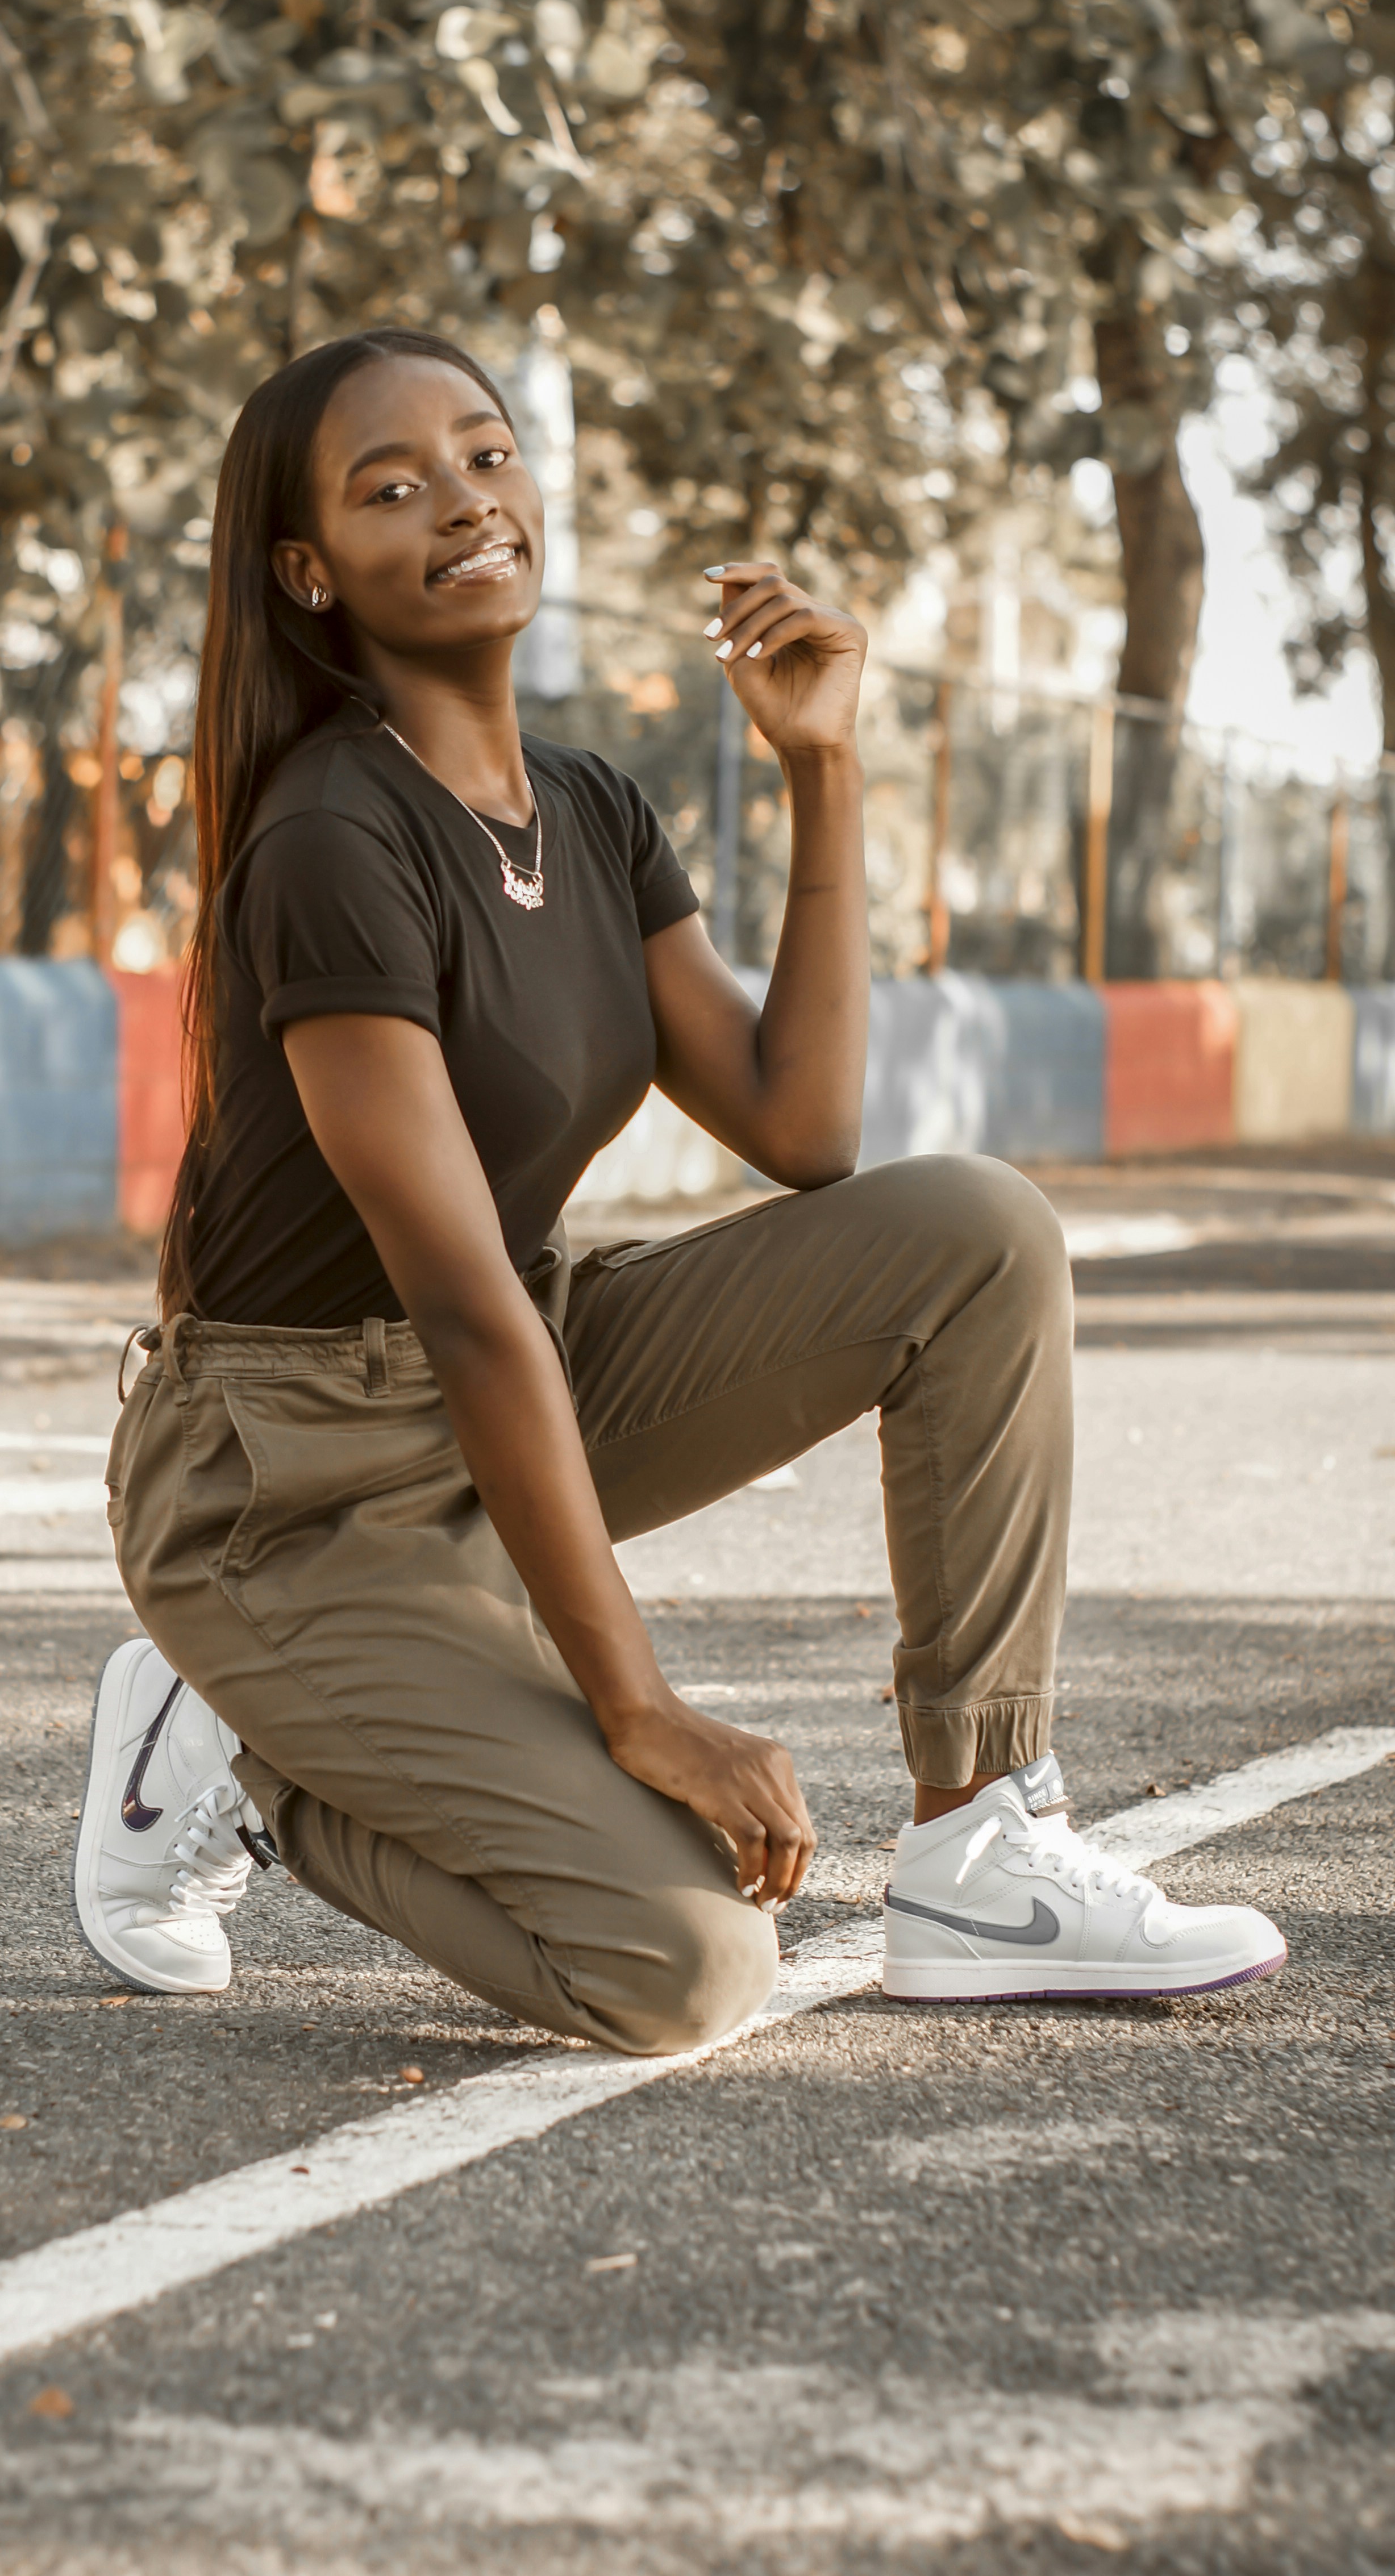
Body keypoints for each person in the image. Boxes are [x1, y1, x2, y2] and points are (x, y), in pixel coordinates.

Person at [72, 328, 1285, 2046]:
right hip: (295, 1476)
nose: (463, 504)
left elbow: (806, 1131)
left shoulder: (589, 806)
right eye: (390, 488)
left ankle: (983, 1839)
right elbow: (462, 1305)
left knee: (977, 1239)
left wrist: (824, 767)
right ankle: (253, 1748)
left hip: (525, 1369)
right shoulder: (332, 841)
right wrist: (637, 1707)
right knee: (685, 1972)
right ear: (309, 573)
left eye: (486, 457)